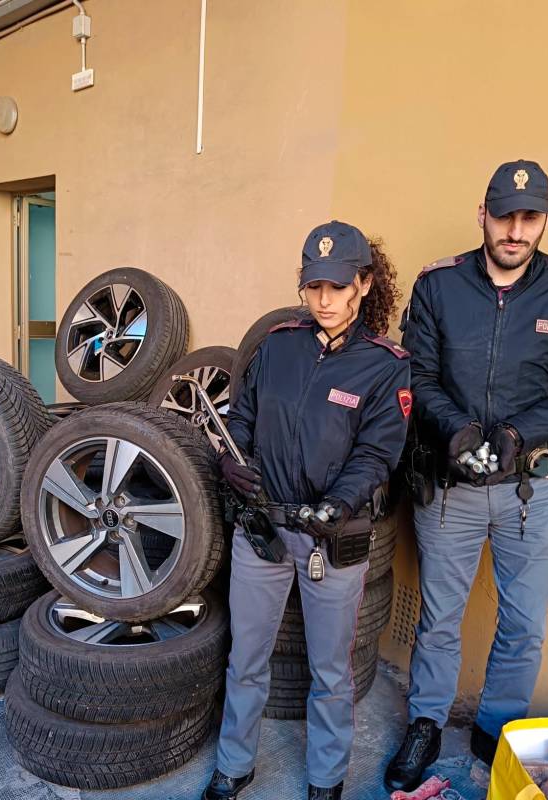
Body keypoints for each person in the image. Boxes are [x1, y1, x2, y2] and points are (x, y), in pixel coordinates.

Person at [383, 160, 548, 794]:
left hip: (530, 489)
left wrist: (515, 435)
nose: (515, 229)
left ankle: (497, 731)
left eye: (528, 217)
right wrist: (454, 430)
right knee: (440, 618)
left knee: (524, 624)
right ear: (482, 214)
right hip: (448, 488)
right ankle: (424, 723)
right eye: (504, 215)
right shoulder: (438, 287)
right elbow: (416, 375)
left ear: (543, 221)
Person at [201, 220, 411, 800]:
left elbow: (377, 452)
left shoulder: (385, 364)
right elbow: (240, 417)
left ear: (364, 284)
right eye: (314, 286)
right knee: (245, 659)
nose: (324, 300)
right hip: (263, 527)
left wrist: (338, 504)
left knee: (330, 671)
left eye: (338, 287)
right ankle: (234, 766)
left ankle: (325, 779)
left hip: (333, 537)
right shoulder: (279, 345)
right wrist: (230, 461)